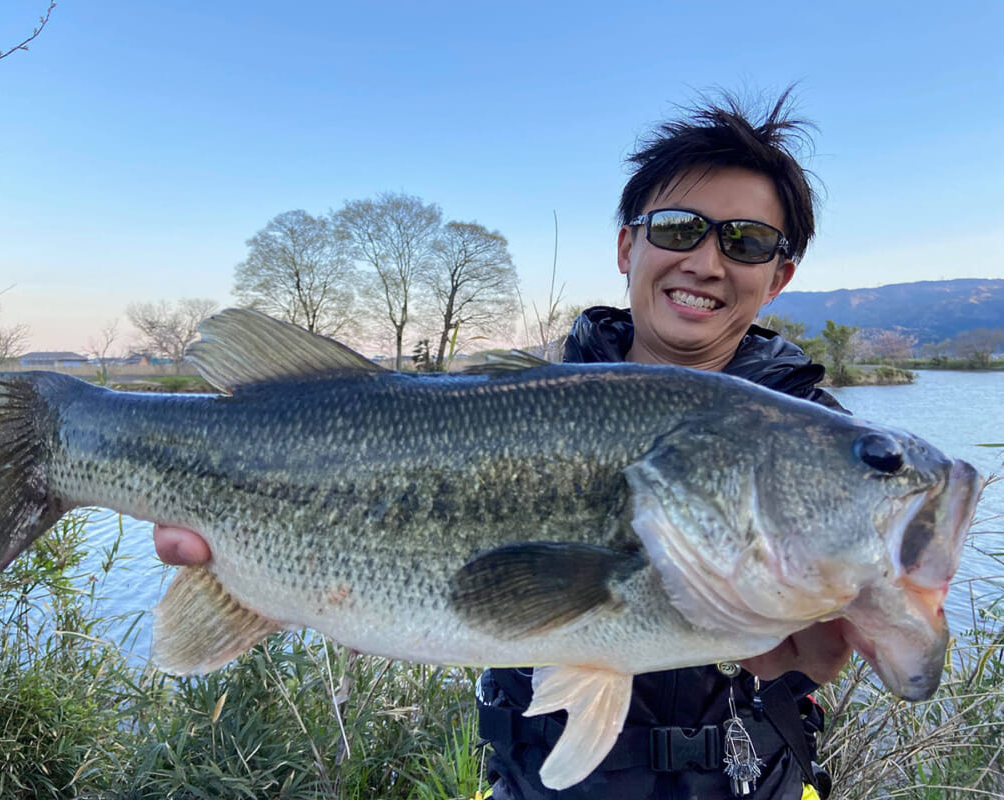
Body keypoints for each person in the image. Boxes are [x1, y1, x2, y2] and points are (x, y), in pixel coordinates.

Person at [152, 88, 849, 799]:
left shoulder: (822, 438)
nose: (706, 261)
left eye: (746, 241)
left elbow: (892, 622)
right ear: (625, 246)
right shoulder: (518, 404)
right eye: (677, 229)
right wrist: (271, 578)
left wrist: (882, 632)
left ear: (777, 278)